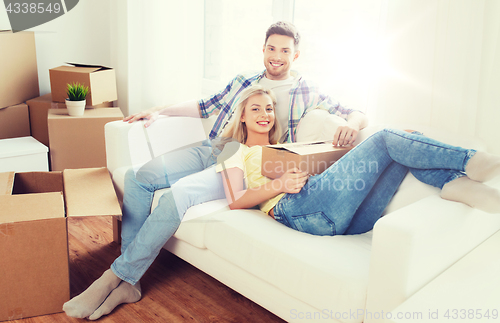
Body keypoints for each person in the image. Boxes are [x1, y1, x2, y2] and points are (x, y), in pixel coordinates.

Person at [62, 21, 368, 320]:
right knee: (137, 177)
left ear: (295, 55)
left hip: (244, 156)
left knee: (180, 193)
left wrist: (352, 125)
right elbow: (206, 105)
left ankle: (119, 275)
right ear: (263, 49)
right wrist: (159, 110)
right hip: (215, 145)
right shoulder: (244, 80)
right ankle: (129, 281)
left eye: (285, 51)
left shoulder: (307, 90)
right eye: (271, 48)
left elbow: (353, 113)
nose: (277, 56)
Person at [217, 85, 500, 239]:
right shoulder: (236, 152)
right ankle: (471, 161)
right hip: (297, 211)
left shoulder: (286, 146)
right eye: (255, 109)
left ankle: (453, 184)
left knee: (406, 141)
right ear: (242, 115)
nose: (264, 113)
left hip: (350, 220)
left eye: (268, 108)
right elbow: (235, 200)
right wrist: (280, 184)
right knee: (389, 137)